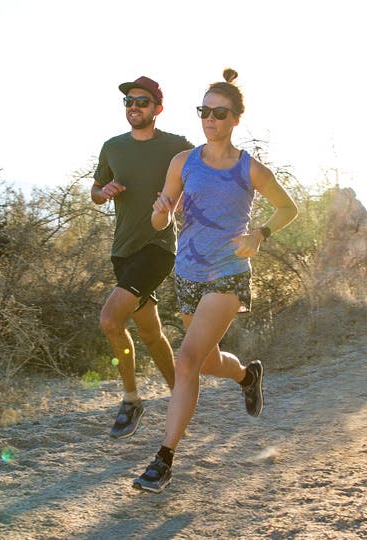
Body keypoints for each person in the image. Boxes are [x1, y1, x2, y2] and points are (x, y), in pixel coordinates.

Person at [134, 68, 299, 492]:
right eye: (204, 111)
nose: (210, 119)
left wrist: (260, 234)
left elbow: (287, 208)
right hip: (187, 274)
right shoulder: (182, 162)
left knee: (186, 361)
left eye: (220, 113)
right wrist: (162, 210)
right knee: (206, 361)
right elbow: (158, 220)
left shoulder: (249, 168)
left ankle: (163, 459)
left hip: (227, 274)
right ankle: (247, 376)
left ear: (236, 119)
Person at [92, 76, 194, 439]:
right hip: (123, 249)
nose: (134, 107)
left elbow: (202, 177)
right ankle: (180, 396)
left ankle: (132, 400)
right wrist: (103, 191)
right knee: (150, 333)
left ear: (157, 109)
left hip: (158, 247)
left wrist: (179, 203)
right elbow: (95, 190)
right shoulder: (112, 147)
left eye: (142, 102)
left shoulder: (177, 146)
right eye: (129, 102)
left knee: (109, 319)